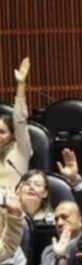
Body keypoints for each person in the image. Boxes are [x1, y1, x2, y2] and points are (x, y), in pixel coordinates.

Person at [0, 57, 31, 193]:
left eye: (2, 132)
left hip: (16, 207)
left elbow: (19, 120)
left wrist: (21, 85)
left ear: (13, 135)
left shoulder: (21, 149)